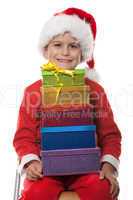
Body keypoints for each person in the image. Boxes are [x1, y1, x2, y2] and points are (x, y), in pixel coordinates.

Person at [13, 7, 121, 200]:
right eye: (57, 44)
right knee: (36, 191)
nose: (65, 52)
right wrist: (31, 162)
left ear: (83, 53)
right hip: (45, 168)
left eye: (73, 46)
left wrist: (108, 166)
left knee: (101, 189)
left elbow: (110, 135)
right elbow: (24, 136)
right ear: (46, 50)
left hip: (87, 168)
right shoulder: (33, 91)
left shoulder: (95, 91)